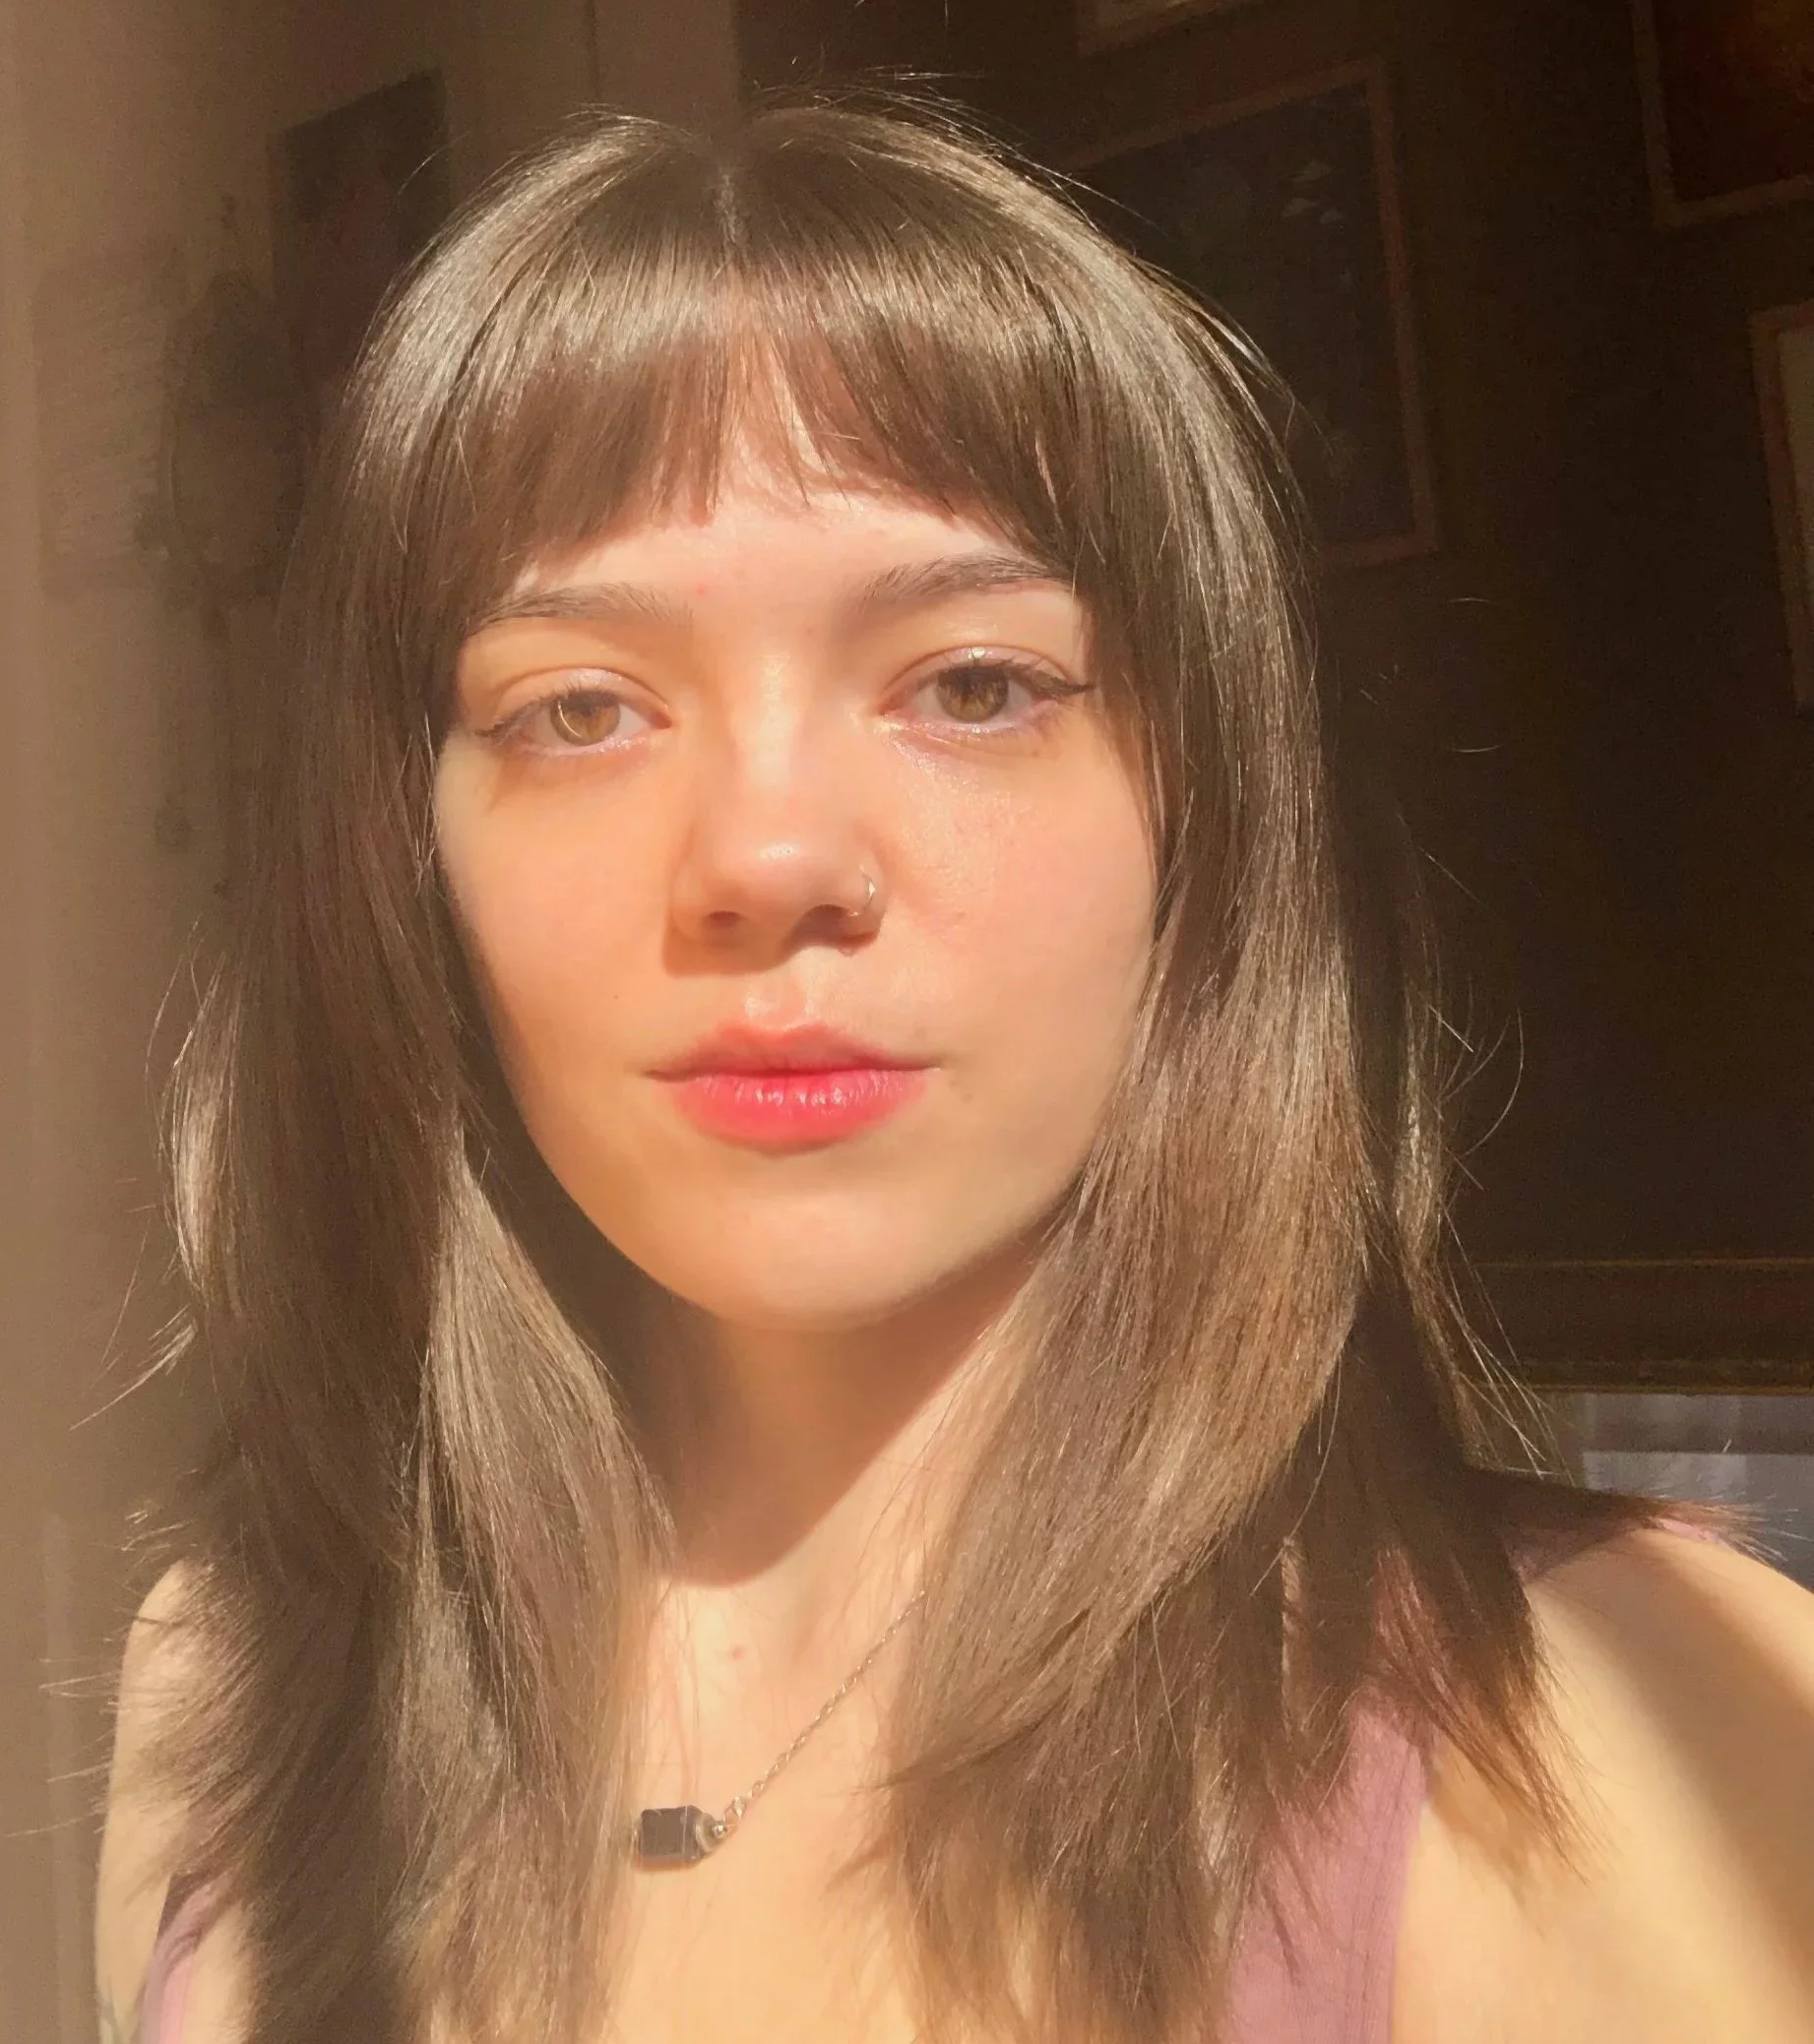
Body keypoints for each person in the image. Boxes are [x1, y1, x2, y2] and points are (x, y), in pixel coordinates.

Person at [94, 100, 1814, 2044]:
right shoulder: (229, 1690)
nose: (762, 859)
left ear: (1206, 817)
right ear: (403, 864)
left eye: (971, 685)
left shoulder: (1613, 1745)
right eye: (578, 709)